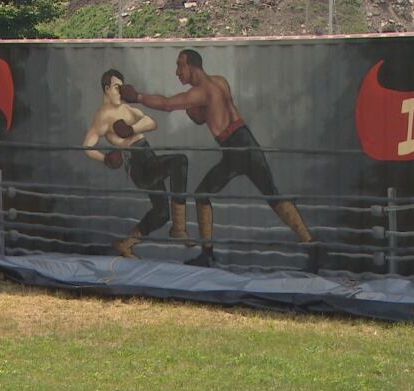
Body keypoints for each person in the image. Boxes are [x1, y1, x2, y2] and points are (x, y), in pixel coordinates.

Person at [119, 50, 320, 272]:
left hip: (235, 147)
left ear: (192, 67)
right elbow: (209, 115)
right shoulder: (219, 82)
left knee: (202, 195)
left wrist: (137, 97)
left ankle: (207, 255)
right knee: (272, 194)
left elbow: (167, 105)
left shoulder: (201, 91)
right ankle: (312, 246)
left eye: (180, 66)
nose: (177, 72)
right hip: (246, 141)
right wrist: (196, 112)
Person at [82, 69, 194, 258]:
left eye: (123, 87)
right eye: (117, 87)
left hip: (149, 158)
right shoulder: (103, 115)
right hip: (138, 164)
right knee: (179, 162)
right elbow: (87, 146)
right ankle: (179, 228)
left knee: (161, 213)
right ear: (107, 88)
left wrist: (131, 129)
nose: (121, 91)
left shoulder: (125, 108)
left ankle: (125, 244)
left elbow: (150, 122)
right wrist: (105, 159)